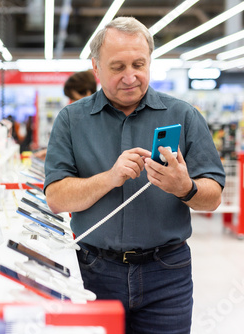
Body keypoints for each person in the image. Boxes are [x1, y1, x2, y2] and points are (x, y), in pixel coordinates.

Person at [44, 17, 225, 333]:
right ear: (96, 68)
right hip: (94, 270)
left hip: (167, 273)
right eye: (117, 67)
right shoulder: (72, 120)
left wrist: (186, 187)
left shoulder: (184, 115)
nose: (131, 77)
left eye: (139, 64)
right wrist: (109, 178)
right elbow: (56, 199)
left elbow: (213, 198)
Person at [33, 70, 98, 160]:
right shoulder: (80, 119)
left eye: (75, 99)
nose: (71, 103)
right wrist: (53, 153)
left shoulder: (101, 121)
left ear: (88, 93)